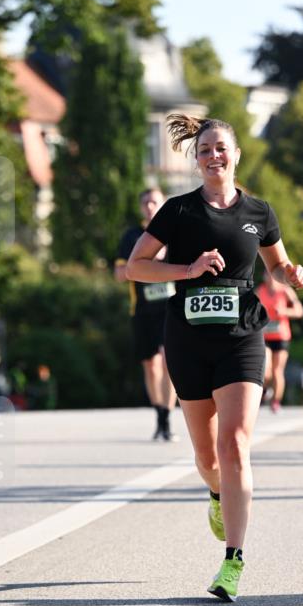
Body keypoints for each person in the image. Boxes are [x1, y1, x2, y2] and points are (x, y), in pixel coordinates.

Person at [126, 114, 303, 601]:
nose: (213, 157)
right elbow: (135, 267)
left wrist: (292, 274)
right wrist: (188, 269)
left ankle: (232, 560)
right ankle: (214, 493)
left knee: (234, 445)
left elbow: (276, 266)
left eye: (220, 148)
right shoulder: (178, 212)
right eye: (204, 150)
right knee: (207, 458)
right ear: (196, 158)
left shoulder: (259, 211)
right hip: (187, 340)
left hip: (242, 337)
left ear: (236, 154)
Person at [115, 188, 178, 441]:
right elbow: (119, 274)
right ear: (141, 208)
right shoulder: (132, 236)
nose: (150, 206)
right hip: (142, 310)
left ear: (162, 205)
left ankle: (166, 419)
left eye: (154, 202)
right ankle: (159, 414)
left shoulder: (175, 233)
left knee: (168, 362)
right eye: (145, 203)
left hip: (171, 309)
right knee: (151, 367)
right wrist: (142, 263)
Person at [256, 270, 303, 412]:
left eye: (272, 275)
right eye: (267, 275)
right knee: (266, 369)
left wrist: (284, 311)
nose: (269, 278)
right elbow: (253, 311)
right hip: (265, 336)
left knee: (278, 371)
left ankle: (276, 401)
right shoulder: (260, 291)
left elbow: (299, 311)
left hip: (281, 336)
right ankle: (265, 390)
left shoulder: (286, 291)